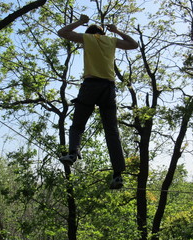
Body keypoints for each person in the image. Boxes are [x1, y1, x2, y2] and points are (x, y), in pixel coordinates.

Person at [58, 14, 138, 189]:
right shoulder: (111, 40)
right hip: (108, 89)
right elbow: (134, 44)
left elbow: (62, 32)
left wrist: (80, 22)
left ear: (89, 34)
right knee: (112, 132)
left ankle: (72, 153)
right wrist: (117, 31)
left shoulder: (87, 38)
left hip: (91, 86)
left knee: (78, 124)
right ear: (102, 33)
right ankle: (118, 175)